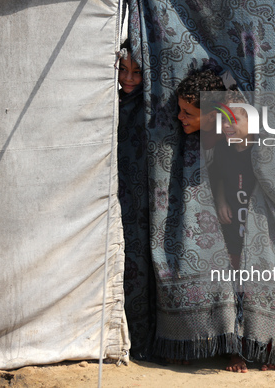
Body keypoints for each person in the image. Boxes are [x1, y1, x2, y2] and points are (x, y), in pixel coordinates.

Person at [209, 90, 257, 373]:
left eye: (233, 119)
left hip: (257, 232)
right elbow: (216, 177)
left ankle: (266, 348)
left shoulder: (263, 151)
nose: (227, 125)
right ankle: (235, 350)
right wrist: (221, 200)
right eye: (223, 120)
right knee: (235, 283)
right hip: (232, 229)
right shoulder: (223, 150)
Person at [117, 39, 156, 361]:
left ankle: (145, 341)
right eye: (122, 70)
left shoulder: (153, 105)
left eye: (137, 72)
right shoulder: (105, 100)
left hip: (143, 194)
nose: (128, 79)